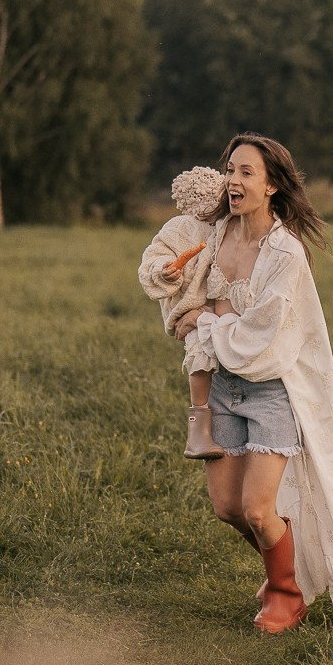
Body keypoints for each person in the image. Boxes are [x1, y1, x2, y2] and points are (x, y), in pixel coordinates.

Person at [168, 134, 333, 632]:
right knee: (227, 508)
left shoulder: (284, 254)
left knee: (258, 508)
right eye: (230, 170)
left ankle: (287, 596)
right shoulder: (216, 234)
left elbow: (258, 339)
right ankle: (281, 572)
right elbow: (176, 282)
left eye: (246, 172)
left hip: (272, 393)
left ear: (271, 187)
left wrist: (203, 320)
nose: (233, 181)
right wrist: (185, 299)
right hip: (223, 388)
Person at [137, 165, 224, 459]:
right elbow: (155, 256)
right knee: (200, 354)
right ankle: (198, 431)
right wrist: (167, 271)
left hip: (222, 305)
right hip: (191, 306)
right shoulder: (179, 228)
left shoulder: (230, 223)